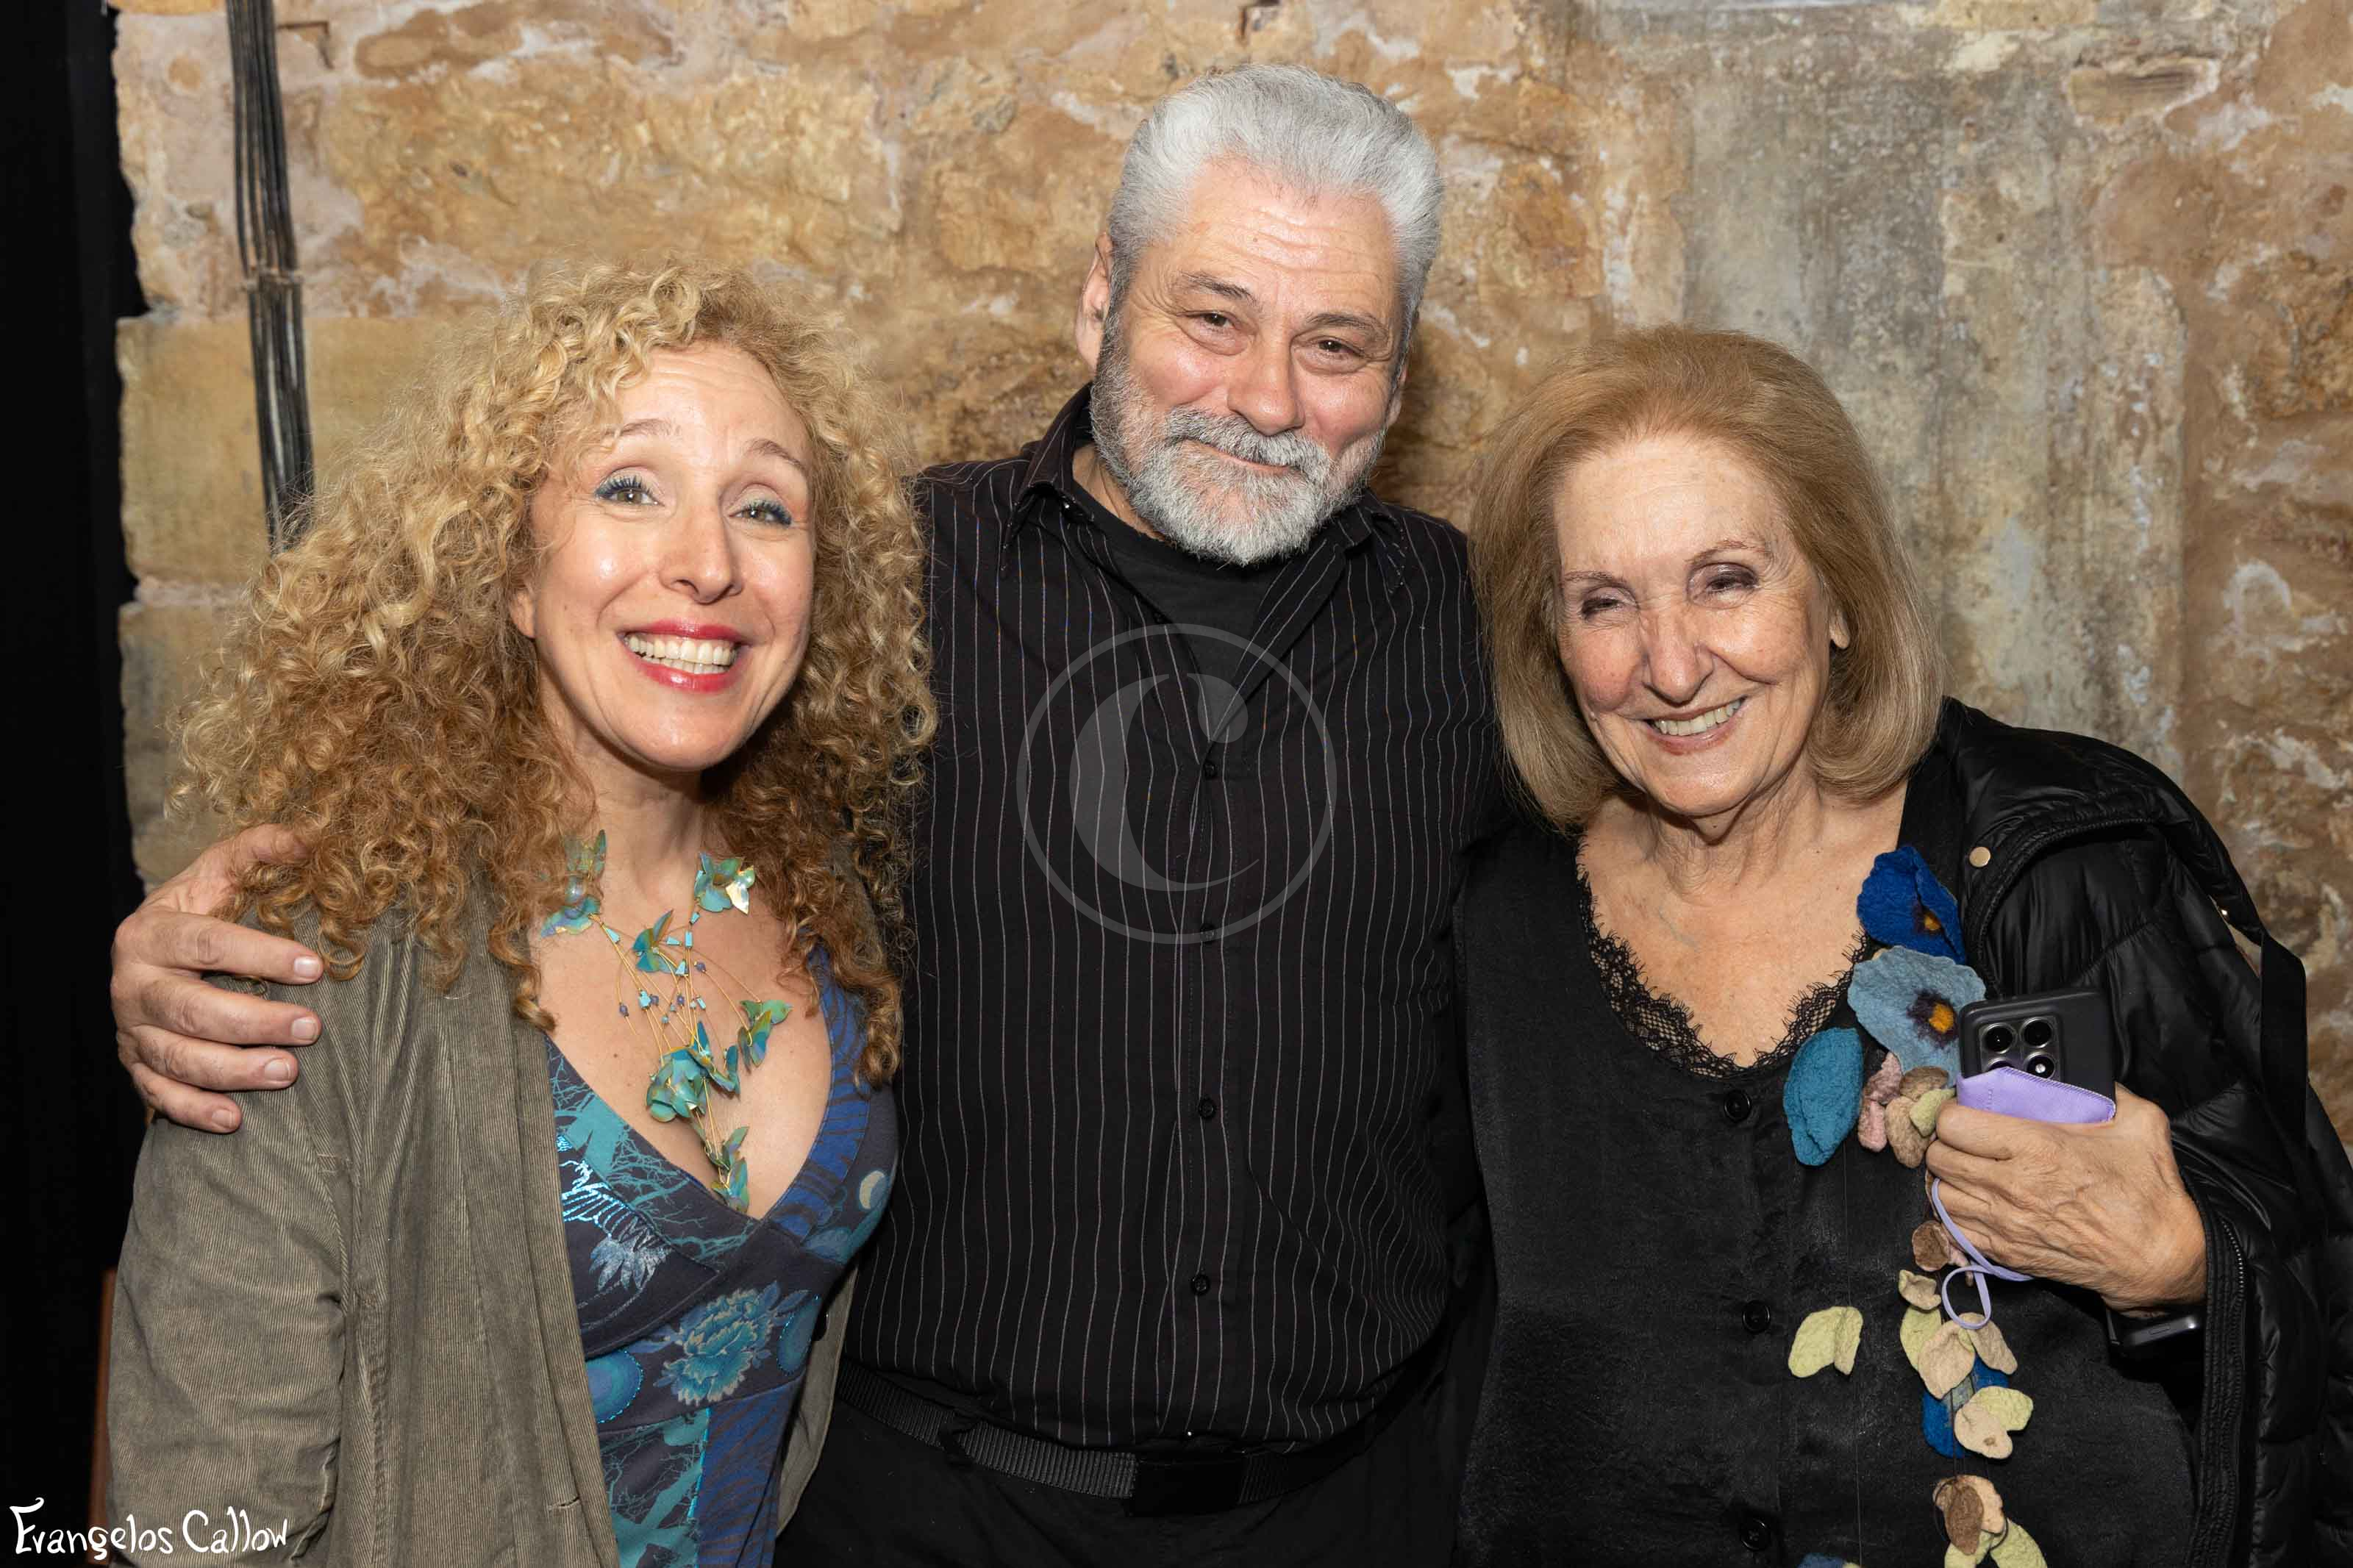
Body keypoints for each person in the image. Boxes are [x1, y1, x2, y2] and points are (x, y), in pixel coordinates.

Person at [109, 66, 1499, 1564]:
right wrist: (173, 952)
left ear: (1400, 373)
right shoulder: (897, 584)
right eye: (1213, 318)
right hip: (926, 1515)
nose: (1268, 397)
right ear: (1103, 297)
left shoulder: (1475, 631)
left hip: (1350, 1507)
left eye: (1336, 344)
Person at [1452, 326, 2353, 1565]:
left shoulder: (2062, 870)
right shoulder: (1490, 915)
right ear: (1551, 638)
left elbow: (2327, 1312)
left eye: (1725, 580)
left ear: (1838, 595)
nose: (1669, 665)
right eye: (1605, 602)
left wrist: (2185, 1269)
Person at [105, 260, 934, 1565]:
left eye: (764, 506)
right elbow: (195, 1524)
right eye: (629, 487)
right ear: (508, 572)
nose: (708, 562)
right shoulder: (314, 962)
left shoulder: (833, 899)